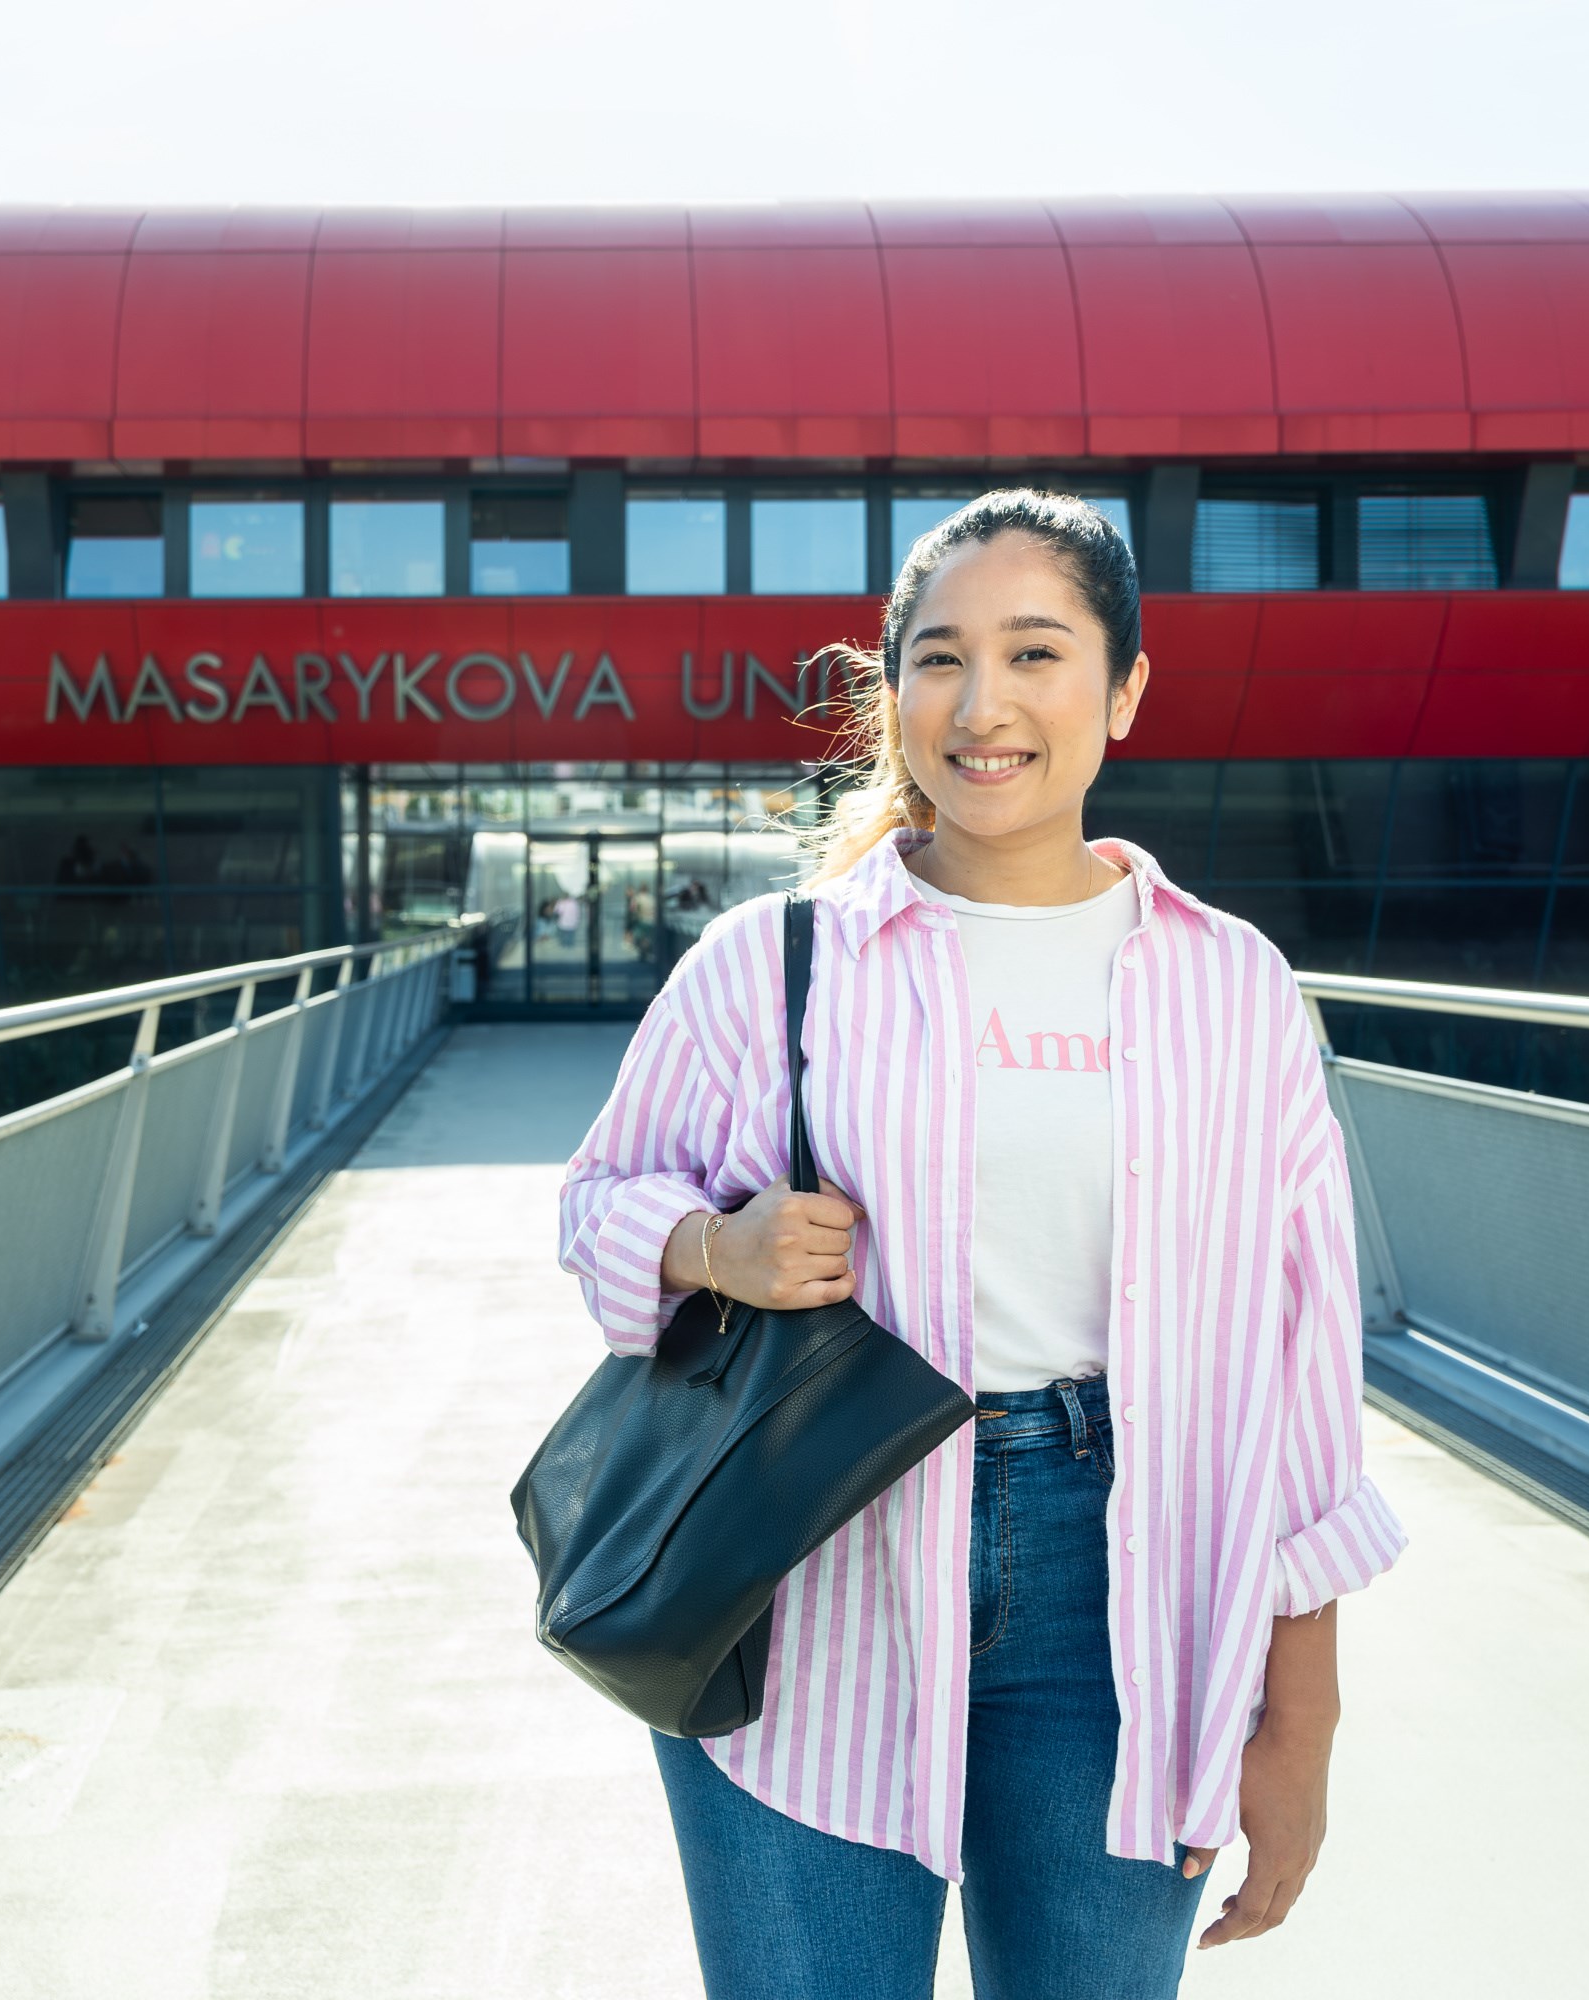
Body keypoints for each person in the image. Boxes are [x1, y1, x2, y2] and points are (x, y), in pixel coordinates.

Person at [556, 490, 1405, 1998]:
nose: (985, 703)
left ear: (1124, 690)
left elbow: (1303, 1370)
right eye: (940, 660)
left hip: (1127, 1598)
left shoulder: (1234, 989)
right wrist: (713, 1245)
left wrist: (1302, 1725)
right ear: (896, 698)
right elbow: (596, 1203)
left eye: (1036, 652)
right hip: (811, 1570)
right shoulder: (772, 966)